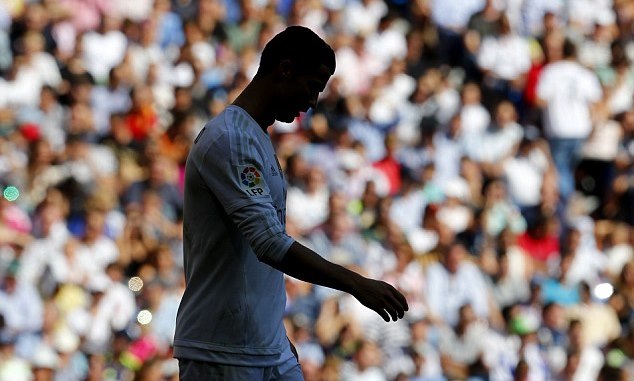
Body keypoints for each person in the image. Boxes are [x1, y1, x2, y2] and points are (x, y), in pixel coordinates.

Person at [173, 26, 409, 381]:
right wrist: (356, 284)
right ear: (284, 70)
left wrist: (275, 334)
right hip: (223, 351)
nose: (313, 101)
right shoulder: (232, 140)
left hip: (264, 345)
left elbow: (253, 264)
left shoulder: (255, 137)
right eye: (313, 86)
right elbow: (268, 243)